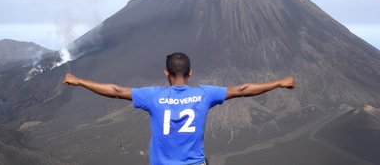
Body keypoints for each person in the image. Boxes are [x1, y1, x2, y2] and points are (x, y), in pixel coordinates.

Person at [63, 52, 295, 165]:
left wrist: (79, 81)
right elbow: (243, 89)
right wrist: (279, 82)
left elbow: (115, 90)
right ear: (190, 73)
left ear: (166, 73)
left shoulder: (153, 96)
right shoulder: (204, 94)